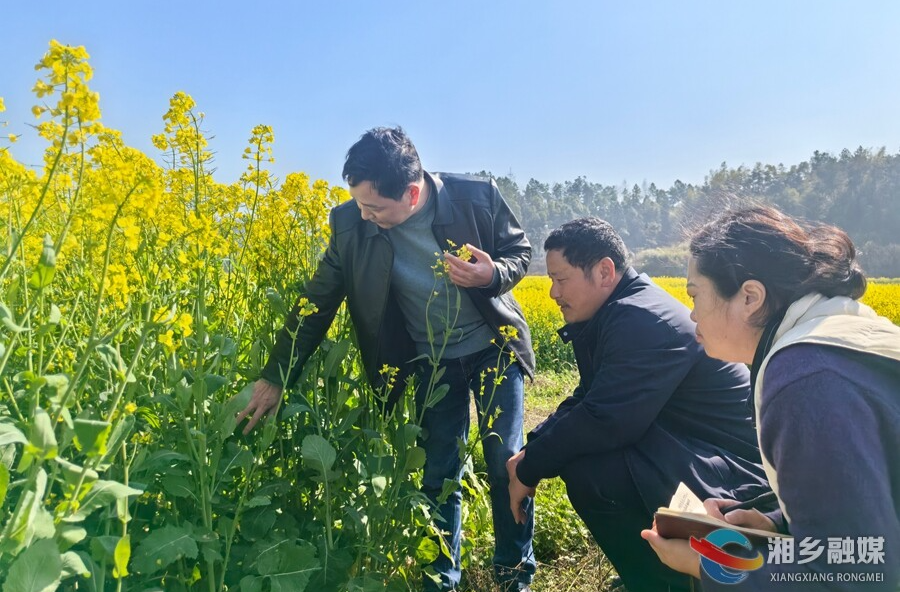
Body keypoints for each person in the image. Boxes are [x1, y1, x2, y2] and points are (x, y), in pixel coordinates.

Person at [236, 127, 536, 591]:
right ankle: (442, 579)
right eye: (358, 203)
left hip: (493, 347)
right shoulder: (350, 224)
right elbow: (317, 301)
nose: (364, 215)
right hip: (431, 363)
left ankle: (514, 575)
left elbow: (520, 251)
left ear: (412, 193)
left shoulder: (476, 196)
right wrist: (277, 374)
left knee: (505, 463)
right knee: (438, 473)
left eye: (375, 207)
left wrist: (492, 274)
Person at [642, 206, 900, 591]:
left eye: (695, 296)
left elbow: (861, 577)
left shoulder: (804, 380)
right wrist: (778, 521)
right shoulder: (840, 333)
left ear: (750, 297)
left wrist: (708, 565)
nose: (691, 314)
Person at [506, 217, 770, 592]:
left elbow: (606, 419)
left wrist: (530, 467)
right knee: (583, 453)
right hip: (696, 452)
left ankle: (663, 581)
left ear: (604, 271)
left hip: (737, 475)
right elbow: (592, 395)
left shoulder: (642, 319)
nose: (553, 292)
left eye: (561, 279)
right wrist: (533, 449)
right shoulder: (622, 310)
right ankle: (656, 572)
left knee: (592, 470)